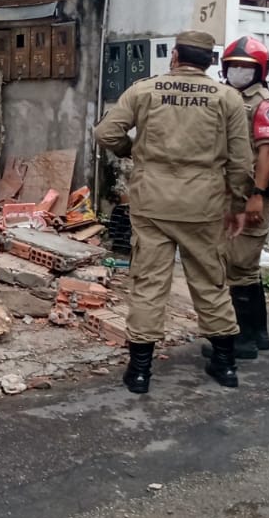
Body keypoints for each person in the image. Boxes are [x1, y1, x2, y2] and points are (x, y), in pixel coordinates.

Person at [93, 29, 253, 394]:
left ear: (175, 57)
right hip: (204, 205)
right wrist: (239, 205)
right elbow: (241, 163)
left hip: (152, 203)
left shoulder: (144, 90)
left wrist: (131, 151)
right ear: (210, 62)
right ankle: (225, 365)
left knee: (148, 284)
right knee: (210, 281)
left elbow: (106, 133)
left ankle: (139, 372)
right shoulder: (227, 98)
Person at [204, 35, 269, 361]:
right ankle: (259, 335)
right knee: (247, 268)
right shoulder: (230, 98)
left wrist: (257, 196)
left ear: (260, 70)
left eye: (246, 67)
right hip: (234, 195)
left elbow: (266, 155)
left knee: (238, 268)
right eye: (233, 66)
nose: (238, 71)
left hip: (251, 196)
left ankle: (242, 342)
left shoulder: (265, 105)